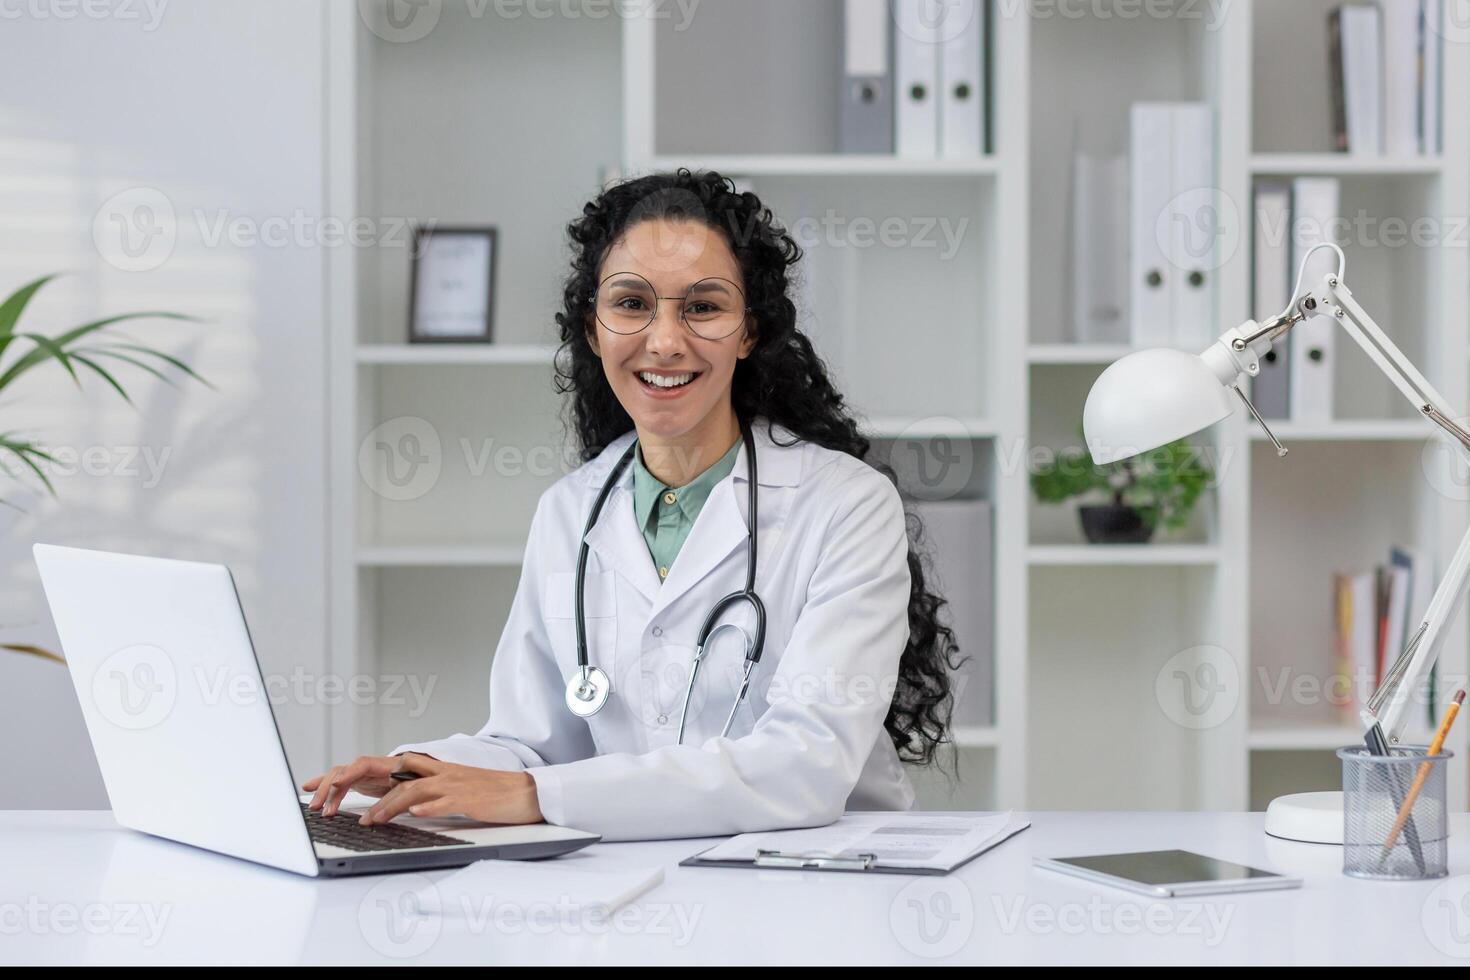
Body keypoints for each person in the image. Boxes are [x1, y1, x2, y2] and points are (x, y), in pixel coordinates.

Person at [304, 169, 959, 841]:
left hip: (820, 882)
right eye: (631, 304)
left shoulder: (845, 505)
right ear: (593, 329)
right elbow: (533, 743)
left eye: (702, 307)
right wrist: (423, 773)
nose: (666, 340)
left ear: (749, 333)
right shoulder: (568, 512)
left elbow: (806, 766)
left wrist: (539, 794)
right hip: (634, 881)